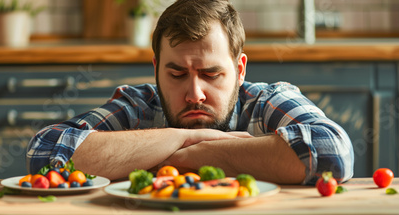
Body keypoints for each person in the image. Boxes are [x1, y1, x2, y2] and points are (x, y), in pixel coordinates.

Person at [27, 0, 353, 185]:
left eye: (211, 74)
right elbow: (44, 152)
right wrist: (183, 136)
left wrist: (180, 154)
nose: (194, 93)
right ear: (156, 69)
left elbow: (332, 152)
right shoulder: (137, 104)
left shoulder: (266, 100)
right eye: (177, 73)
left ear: (240, 70)